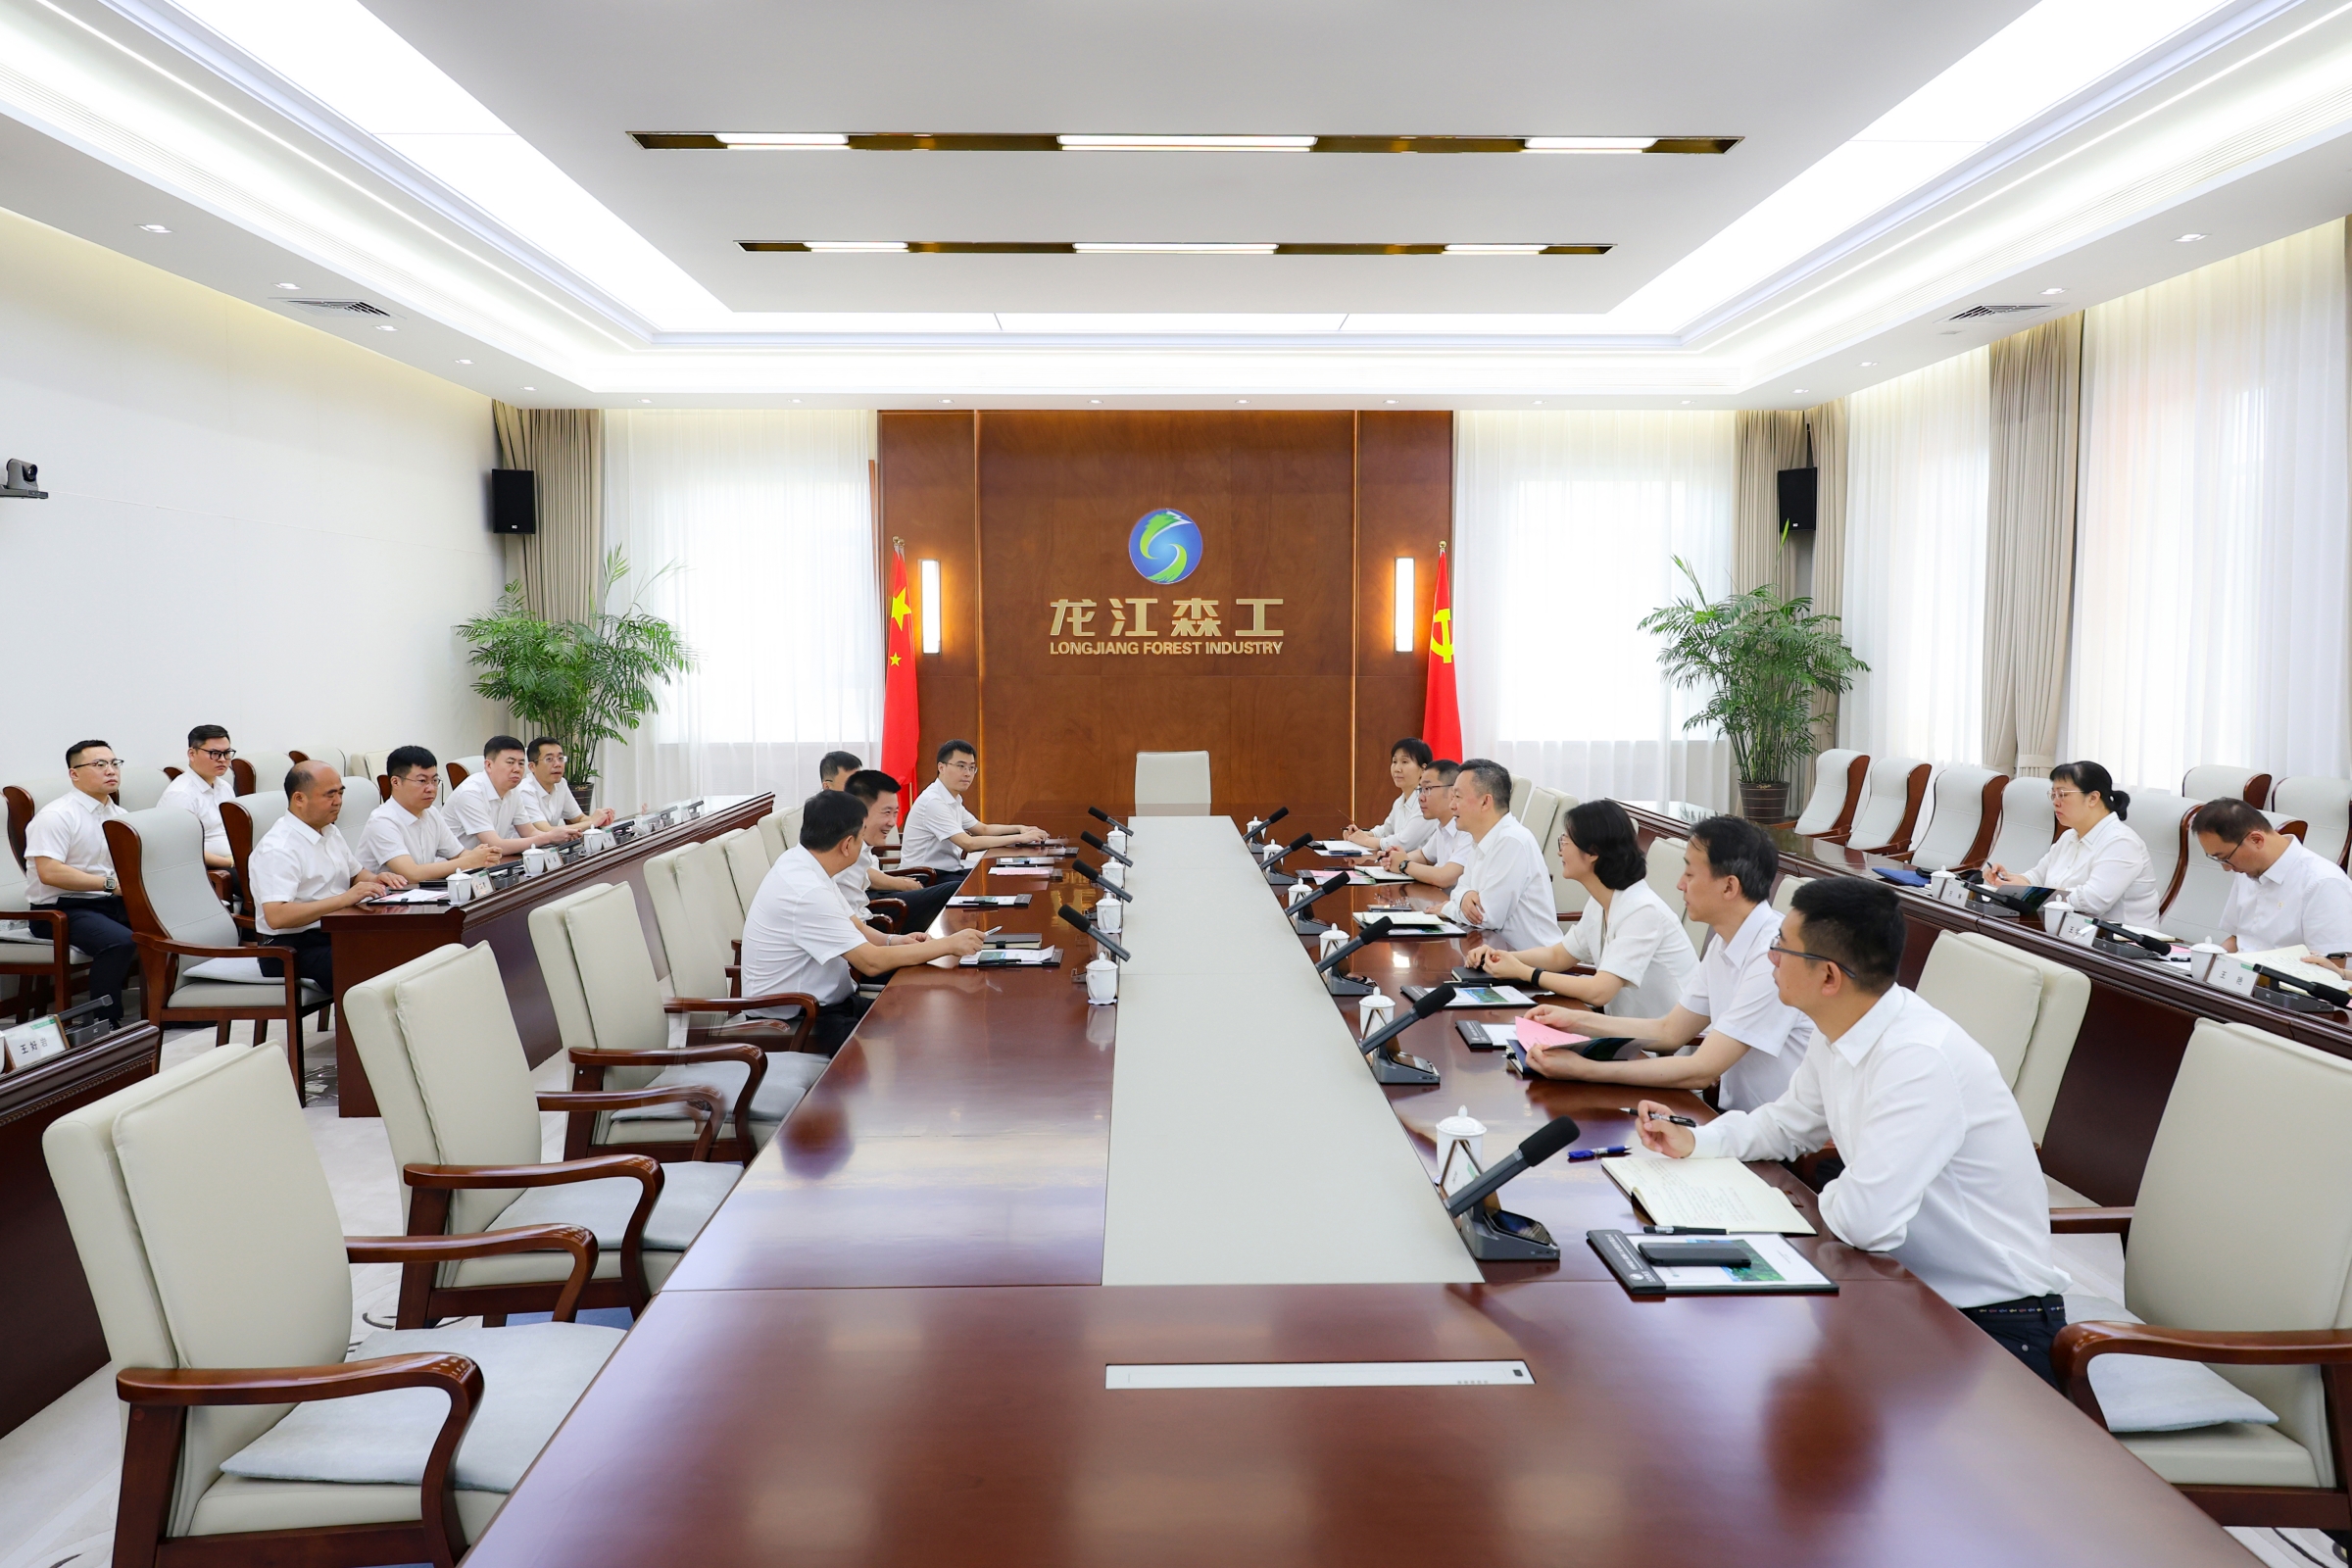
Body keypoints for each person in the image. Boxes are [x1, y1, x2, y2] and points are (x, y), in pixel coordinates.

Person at [1633, 876, 2073, 1387]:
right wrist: (1699, 1140)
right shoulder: (1841, 1025)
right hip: (1897, 1286)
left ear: (1828, 977)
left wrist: (1815, 1197)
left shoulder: (1917, 1059)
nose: (1771, 957)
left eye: (1782, 946)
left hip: (1990, 1324)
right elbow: (1787, 1123)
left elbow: (1867, 1221)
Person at [1518, 814, 1808, 1109]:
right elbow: (1670, 1031)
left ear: (1729, 887)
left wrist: (1583, 1070)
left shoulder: (1774, 956)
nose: (1680, 884)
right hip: (1738, 1121)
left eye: (1690, 874)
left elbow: (1702, 1070)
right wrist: (1575, 1021)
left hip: (1771, 1131)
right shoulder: (1724, 942)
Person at [739, 790, 985, 1052]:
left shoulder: (805, 863)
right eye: (862, 835)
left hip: (826, 1003)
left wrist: (894, 940)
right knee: (919, 1035)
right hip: (797, 1019)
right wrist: (948, 945)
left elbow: (855, 924)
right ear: (847, 844)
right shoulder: (807, 891)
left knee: (922, 1013)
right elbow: (870, 962)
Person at [1467, 799, 1696, 1018]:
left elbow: (1599, 992)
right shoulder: (1601, 901)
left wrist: (1524, 972)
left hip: (1668, 1041)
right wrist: (1501, 957)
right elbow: (1558, 956)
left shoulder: (1642, 910)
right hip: (1625, 1028)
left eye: (1565, 841)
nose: (1560, 851)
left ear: (1593, 852)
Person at [249, 761, 398, 991]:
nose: (338, 801)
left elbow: (356, 874)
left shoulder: (329, 830)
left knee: (404, 945)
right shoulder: (278, 848)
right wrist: (344, 899)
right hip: (289, 948)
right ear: (299, 798)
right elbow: (277, 916)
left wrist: (375, 880)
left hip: (334, 932)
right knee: (372, 963)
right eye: (330, 795)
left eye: (340, 793)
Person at [21, 740, 138, 1023]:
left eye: (114, 763)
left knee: (169, 926)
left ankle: (170, 1011)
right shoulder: (56, 816)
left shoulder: (120, 816)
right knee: (119, 942)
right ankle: (104, 1023)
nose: (110, 770)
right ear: (74, 774)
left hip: (107, 903)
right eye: (99, 764)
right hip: (60, 911)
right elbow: (50, 872)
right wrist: (110, 885)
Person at [1983, 761, 2159, 925]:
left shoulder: (2121, 842)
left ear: (2093, 798)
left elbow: (2092, 901)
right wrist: (2007, 879)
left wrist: (2031, 893)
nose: (2055, 802)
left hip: (2121, 942)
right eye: (2053, 795)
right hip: (2069, 930)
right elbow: (2037, 877)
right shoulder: (2069, 837)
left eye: (2062, 794)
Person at [2191, 797, 2352, 971]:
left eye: (2225, 858)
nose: (2226, 868)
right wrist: (2208, 968)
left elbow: (2331, 969)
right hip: (2240, 977)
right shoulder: (2246, 869)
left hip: (2286, 984)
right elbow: (2238, 939)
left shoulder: (2323, 883)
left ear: (2256, 840)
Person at [1442, 759, 1558, 954]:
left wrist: (1448, 908)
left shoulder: (1511, 841)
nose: (1452, 805)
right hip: (1498, 954)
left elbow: (1486, 917)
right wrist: (1464, 897)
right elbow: (1459, 888)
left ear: (1485, 802)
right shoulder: (1482, 837)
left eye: (1458, 797)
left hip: (1533, 963)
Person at [897, 740, 1046, 874]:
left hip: (946, 872)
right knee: (988, 881)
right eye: (961, 766)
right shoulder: (933, 801)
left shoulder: (952, 798)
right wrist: (1020, 838)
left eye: (972, 768)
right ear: (941, 767)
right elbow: (969, 843)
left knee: (997, 872)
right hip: (923, 877)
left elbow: (983, 829)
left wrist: (1020, 828)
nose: (968, 774)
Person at [839, 769, 959, 933]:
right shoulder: (844, 851)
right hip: (875, 909)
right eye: (886, 812)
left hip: (877, 901)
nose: (892, 822)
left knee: (958, 887)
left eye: (895, 813)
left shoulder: (863, 845)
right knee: (954, 889)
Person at [359, 747, 503, 882]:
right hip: (384, 898)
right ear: (395, 782)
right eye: (422, 781)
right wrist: (469, 861)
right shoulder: (382, 821)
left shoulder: (431, 813)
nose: (431, 788)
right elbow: (412, 874)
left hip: (421, 893)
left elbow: (458, 854)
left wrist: (485, 857)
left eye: (434, 780)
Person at [445, 735, 577, 856]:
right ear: (489, 765)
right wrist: (548, 837)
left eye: (521, 763)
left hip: (491, 863)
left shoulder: (513, 791)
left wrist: (559, 835)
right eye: (510, 762)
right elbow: (495, 844)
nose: (517, 769)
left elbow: (529, 832)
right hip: (455, 869)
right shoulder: (470, 793)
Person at [156, 724, 238, 870]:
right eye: (214, 753)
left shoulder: (224, 786)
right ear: (192, 754)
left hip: (235, 860)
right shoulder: (180, 794)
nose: (222, 759)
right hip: (206, 869)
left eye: (227, 753)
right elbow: (180, 848)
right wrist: (230, 863)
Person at [1381, 761, 1471, 889]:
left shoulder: (1468, 829)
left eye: (1427, 789)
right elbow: (1424, 856)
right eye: (1420, 790)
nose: (1421, 798)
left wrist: (1403, 864)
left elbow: (1445, 878)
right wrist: (1394, 858)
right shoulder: (1442, 827)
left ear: (1452, 792)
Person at [1344, 738, 1437, 853]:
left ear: (1423, 769)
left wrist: (1365, 840)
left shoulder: (1427, 803)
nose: (1397, 769)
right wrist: (1360, 834)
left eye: (1404, 762)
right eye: (1394, 762)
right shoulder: (1399, 801)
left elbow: (1403, 843)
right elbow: (1386, 831)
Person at [514, 739, 615, 833]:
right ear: (532, 767)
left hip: (550, 844)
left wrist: (601, 819)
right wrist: (592, 822)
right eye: (549, 759)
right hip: (525, 847)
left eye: (560, 758)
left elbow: (579, 818)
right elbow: (547, 831)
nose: (557, 764)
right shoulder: (525, 791)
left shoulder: (561, 783)